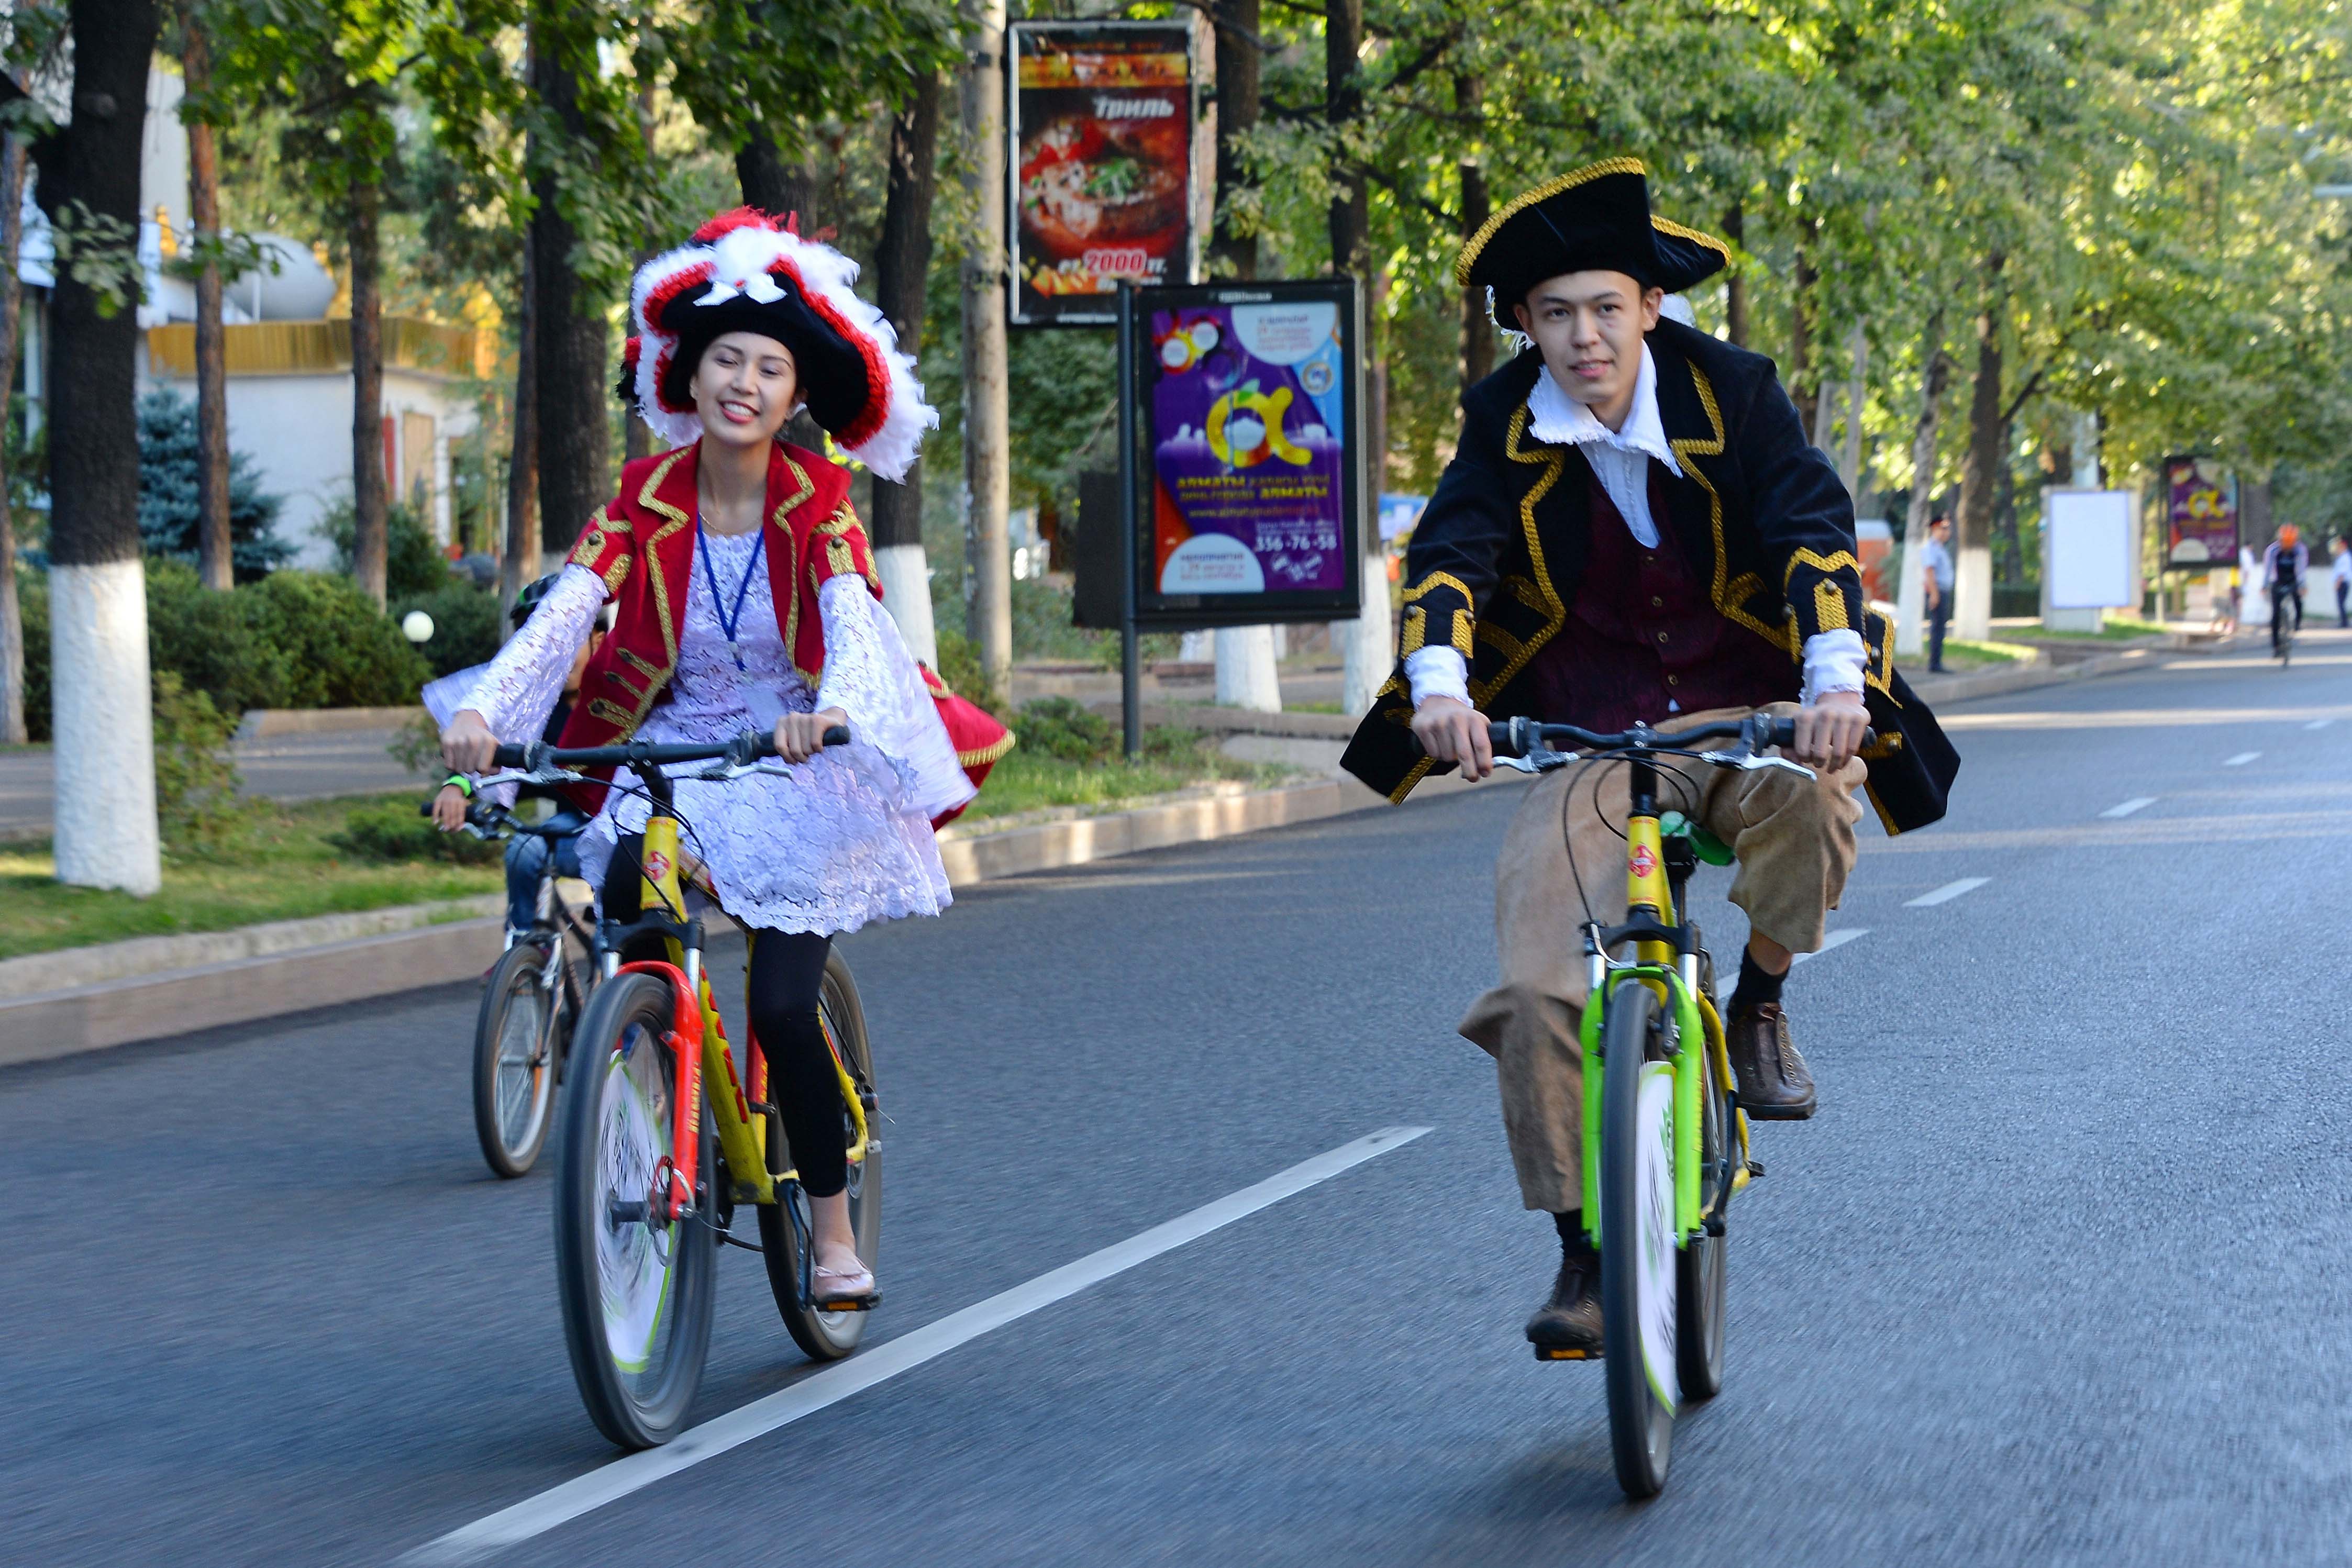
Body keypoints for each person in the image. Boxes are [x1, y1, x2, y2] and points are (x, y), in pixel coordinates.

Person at [1341, 159, 1956, 1356]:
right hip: (1585, 733)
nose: (1583, 336)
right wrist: (1440, 690)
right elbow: (1452, 553)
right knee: (1535, 986)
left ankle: (1758, 1001)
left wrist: (1832, 684)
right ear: (1524, 325)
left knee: (1811, 808)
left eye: (1603, 308)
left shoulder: (1734, 389)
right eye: (1554, 314)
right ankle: (1583, 1248)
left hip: (1750, 718)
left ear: (1649, 308)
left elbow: (1807, 527)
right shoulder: (1501, 415)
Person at [439, 208, 1007, 1305]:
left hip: (792, 759)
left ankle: (831, 1230)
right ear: (689, 377)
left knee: (784, 1007)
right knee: (625, 902)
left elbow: (852, 617)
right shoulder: (640, 502)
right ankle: (652, 1087)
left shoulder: (817, 503)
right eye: (725, 360)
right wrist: (483, 711)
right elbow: (567, 615)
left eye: (769, 368)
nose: (743, 382)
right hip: (674, 758)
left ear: (794, 399)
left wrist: (830, 711)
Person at [430, 576, 605, 938]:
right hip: (572, 831)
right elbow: (493, 762)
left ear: (599, 640)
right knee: (524, 848)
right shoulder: (535, 716)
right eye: (542, 645)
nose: (556, 656)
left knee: (625, 915)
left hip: (628, 833)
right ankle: (526, 949)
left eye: (569, 640)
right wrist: (457, 786)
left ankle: (619, 952)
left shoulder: (625, 699)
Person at [1919, 512, 1955, 672]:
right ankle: (1935, 664)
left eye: (1948, 529)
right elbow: (1929, 571)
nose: (1947, 532)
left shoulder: (1939, 548)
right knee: (1937, 628)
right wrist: (1934, 594)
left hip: (1941, 591)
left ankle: (1937, 662)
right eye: (1944, 528)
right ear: (1935, 528)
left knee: (1941, 627)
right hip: (1937, 591)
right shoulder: (1931, 548)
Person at [2264, 524, 2309, 649]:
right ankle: (2276, 645)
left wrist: (2302, 585)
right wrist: (2265, 585)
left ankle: (2297, 624)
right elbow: (2268, 569)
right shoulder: (2273, 550)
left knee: (2298, 602)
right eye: (2285, 542)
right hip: (2278, 581)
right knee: (2276, 613)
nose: (2288, 546)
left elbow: (2301, 569)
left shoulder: (2300, 550)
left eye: (2291, 543)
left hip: (2292, 580)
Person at [2332, 537, 2349, 628]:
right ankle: (2344, 621)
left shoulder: (2345, 558)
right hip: (2342, 583)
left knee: (2341, 603)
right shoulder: (2342, 557)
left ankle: (2344, 622)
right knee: (2341, 603)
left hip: (2343, 583)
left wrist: (2338, 583)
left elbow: (2342, 573)